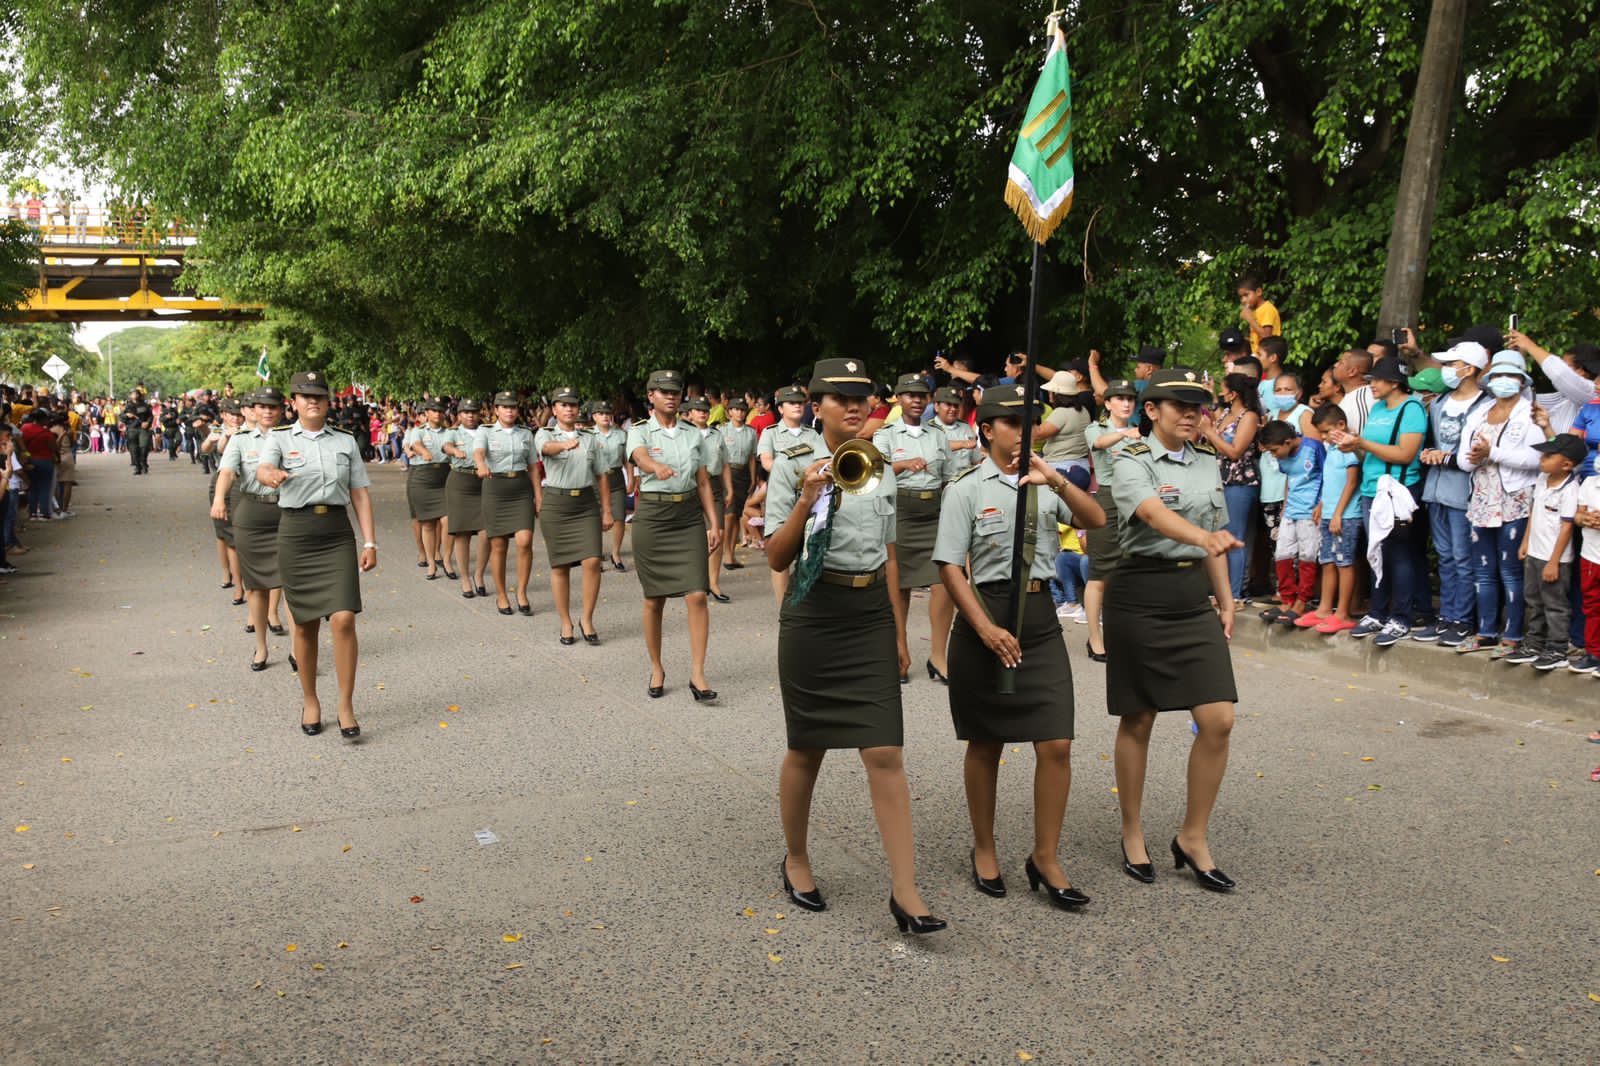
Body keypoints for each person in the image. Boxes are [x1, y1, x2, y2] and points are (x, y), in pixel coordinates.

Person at [765, 357, 943, 935]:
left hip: (867, 614)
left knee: (885, 751)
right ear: (816, 405)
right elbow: (775, 556)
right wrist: (805, 497)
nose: (854, 405)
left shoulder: (882, 466)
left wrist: (895, 629)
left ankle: (906, 889)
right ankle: (796, 857)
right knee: (807, 747)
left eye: (861, 396)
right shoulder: (795, 465)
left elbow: (890, 555)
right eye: (839, 397)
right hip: (815, 613)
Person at [935, 382, 1105, 910]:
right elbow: (947, 565)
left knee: (1055, 742)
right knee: (985, 742)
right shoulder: (966, 488)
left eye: (1030, 424)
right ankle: (984, 848)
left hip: (1039, 621)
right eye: (1013, 423)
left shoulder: (1044, 480)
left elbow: (1095, 521)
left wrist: (1054, 477)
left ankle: (1045, 857)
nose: (1023, 433)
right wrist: (984, 627)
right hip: (985, 617)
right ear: (987, 429)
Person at [1104, 368, 1242, 892]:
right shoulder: (1128, 460)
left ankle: (1192, 836)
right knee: (1139, 717)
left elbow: (1217, 538)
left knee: (1218, 719)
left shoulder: (1208, 464)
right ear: (1151, 411)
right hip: (1139, 594)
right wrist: (1206, 538)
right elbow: (1154, 515)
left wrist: (1226, 602)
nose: (1190, 414)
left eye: (1197, 406)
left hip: (1191, 601)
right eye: (1177, 405)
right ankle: (1132, 830)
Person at [255, 371, 378, 739]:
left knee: (343, 619)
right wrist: (271, 475)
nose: (312, 402)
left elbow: (359, 492)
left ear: (328, 402)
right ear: (293, 402)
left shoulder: (345, 441)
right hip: (297, 534)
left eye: (319, 397)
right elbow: (262, 469)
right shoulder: (279, 439)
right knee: (305, 624)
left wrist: (370, 542)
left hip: (336, 533)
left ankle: (345, 704)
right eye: (305, 396)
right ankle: (310, 699)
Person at [627, 369, 721, 701]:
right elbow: (639, 457)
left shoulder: (694, 435)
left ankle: (698, 673)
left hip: (687, 517)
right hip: (653, 516)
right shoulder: (639, 431)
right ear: (650, 395)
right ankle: (656, 666)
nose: (671, 396)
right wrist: (655, 467)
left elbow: (704, 481)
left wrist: (714, 522)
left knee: (697, 595)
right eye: (662, 391)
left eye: (675, 391)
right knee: (654, 598)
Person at [1329, 356, 1429, 647]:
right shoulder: (1378, 407)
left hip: (1397, 491)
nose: (1370, 384)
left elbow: (1405, 454)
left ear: (1395, 382)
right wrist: (1351, 443)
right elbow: (1371, 451)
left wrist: (1361, 443)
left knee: (1399, 554)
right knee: (1376, 553)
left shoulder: (1412, 408)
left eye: (1377, 380)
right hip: (1371, 489)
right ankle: (1377, 611)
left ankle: (1401, 617)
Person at [1454, 352, 1542, 655]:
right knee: (1483, 570)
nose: (1505, 381)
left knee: (1510, 571)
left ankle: (1513, 635)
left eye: (1512, 376)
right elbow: (1463, 458)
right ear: (1490, 381)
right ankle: (1486, 631)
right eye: (1499, 376)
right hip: (1481, 500)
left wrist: (1493, 454)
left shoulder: (1529, 413)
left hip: (1514, 501)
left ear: (1522, 381)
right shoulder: (1480, 413)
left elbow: (1536, 459)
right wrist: (1474, 458)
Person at [873, 373, 953, 683]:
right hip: (901, 510)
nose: (917, 400)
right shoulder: (886, 434)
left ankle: (938, 655)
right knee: (900, 586)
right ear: (899, 400)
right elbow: (875, 472)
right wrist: (903, 465)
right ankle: (899, 652)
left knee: (944, 581)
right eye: (910, 395)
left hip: (934, 510)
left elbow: (950, 476)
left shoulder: (937, 435)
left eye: (922, 395)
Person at [1415, 342, 1491, 646]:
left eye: (1453, 364)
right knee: (1445, 557)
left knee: (1463, 558)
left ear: (1469, 369)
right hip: (1436, 489)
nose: (1447, 370)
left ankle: (1462, 618)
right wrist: (1430, 454)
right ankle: (1446, 615)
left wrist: (1445, 457)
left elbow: (1474, 454)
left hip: (1465, 492)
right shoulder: (1441, 401)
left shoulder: (1485, 405)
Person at [212, 387, 291, 671]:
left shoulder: (292, 436)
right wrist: (219, 498)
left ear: (281, 410)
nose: (267, 411)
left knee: (289, 578)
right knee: (256, 584)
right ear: (252, 410)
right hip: (252, 513)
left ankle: (298, 648)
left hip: (287, 511)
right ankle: (261, 646)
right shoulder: (241, 440)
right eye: (261, 406)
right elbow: (228, 472)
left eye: (273, 406)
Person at [535, 387, 615, 644]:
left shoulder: (590, 438)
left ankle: (587, 618)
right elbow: (546, 449)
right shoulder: (544, 433)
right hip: (557, 504)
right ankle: (565, 622)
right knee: (560, 566)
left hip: (585, 503)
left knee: (592, 561)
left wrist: (607, 510)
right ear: (555, 409)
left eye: (573, 405)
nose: (569, 409)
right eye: (563, 405)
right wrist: (564, 445)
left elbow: (602, 475)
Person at [1507, 435, 1582, 670]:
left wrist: (1553, 562)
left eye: (1549, 456)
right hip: (1534, 553)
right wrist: (1525, 542)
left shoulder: (1570, 489)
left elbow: (1567, 527)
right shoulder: (1542, 479)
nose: (1542, 459)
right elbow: (1534, 512)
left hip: (1555, 559)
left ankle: (1558, 648)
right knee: (1534, 600)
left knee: (1555, 604)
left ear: (1567, 464)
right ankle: (1534, 643)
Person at [1081, 378, 1140, 661]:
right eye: (1120, 398)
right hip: (1107, 497)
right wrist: (1126, 435)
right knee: (1100, 573)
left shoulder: (1142, 431)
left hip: (1137, 499)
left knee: (1130, 570)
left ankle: (1126, 634)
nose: (1126, 403)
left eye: (1130, 399)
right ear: (1107, 404)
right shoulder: (1097, 427)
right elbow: (1099, 443)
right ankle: (1095, 639)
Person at [1295, 405, 1363, 634]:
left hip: (1346, 516)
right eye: (1321, 433)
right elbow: (1331, 480)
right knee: (1327, 561)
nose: (1323, 437)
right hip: (1328, 514)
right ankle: (1324, 608)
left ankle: (1342, 612)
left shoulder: (1350, 449)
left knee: (1344, 563)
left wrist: (1337, 514)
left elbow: (1352, 483)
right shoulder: (1332, 450)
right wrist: (1322, 505)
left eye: (1326, 431)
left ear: (1341, 426)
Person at [473, 392, 539, 616]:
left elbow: (533, 467)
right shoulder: (486, 431)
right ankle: (502, 595)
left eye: (513, 407)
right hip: (495, 488)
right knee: (499, 545)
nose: (509, 410)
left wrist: (538, 496)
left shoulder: (526, 433)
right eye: (504, 407)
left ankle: (521, 591)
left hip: (520, 487)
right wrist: (481, 464)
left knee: (525, 540)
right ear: (496, 410)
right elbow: (479, 451)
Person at [1199, 372, 1262, 601]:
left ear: (1234, 394)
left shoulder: (1250, 416)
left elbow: (1235, 451)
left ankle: (1234, 595)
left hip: (1240, 482)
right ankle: (1221, 591)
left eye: (1224, 389)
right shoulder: (1225, 413)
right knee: (1219, 536)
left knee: (1234, 537)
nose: (1222, 393)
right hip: (1219, 482)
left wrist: (1208, 432)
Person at [760, 385, 824, 602]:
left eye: (800, 402)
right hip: (781, 496)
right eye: (792, 403)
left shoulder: (813, 433)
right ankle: (783, 606)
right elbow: (767, 462)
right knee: (781, 551)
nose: (797, 406)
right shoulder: (770, 433)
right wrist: (793, 470)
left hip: (812, 496)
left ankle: (805, 598)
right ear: (780, 408)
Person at [1256, 419, 1323, 625]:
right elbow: (1289, 480)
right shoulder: (1282, 457)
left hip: (1310, 511)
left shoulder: (1313, 447)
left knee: (1307, 556)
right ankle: (1287, 599)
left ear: (1288, 442)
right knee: (1282, 554)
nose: (1273, 455)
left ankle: (1302, 601)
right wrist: (1285, 506)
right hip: (1291, 509)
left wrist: (1321, 503)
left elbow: (1327, 474)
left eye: (1275, 450)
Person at [683, 396, 733, 602]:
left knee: (717, 533)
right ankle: (696, 580)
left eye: (705, 410)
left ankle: (713, 582)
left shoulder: (716, 435)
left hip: (713, 485)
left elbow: (725, 464)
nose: (702, 413)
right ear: (690, 413)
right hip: (692, 485)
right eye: (698, 410)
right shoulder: (684, 434)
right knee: (698, 536)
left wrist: (729, 488)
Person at [441, 399, 490, 598]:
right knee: (462, 533)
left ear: (479, 414)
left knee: (487, 532)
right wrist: (455, 451)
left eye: (473, 412)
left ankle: (479, 575)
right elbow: (446, 446)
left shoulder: (485, 431)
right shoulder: (452, 432)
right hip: (460, 482)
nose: (470, 416)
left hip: (483, 482)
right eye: (465, 412)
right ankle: (465, 578)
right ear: (459, 415)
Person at [404, 400, 453, 579]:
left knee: (448, 520)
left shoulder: (449, 432)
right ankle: (431, 561)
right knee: (427, 523)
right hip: (422, 478)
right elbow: (415, 444)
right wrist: (423, 451)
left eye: (440, 411)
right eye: (433, 411)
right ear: (427, 413)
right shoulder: (418, 431)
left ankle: (446, 559)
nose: (437, 414)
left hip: (444, 477)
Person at [204, 400, 245, 603]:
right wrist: (218, 438)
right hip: (223, 482)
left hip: (245, 484)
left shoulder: (250, 430)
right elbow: (211, 448)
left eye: (239, 414)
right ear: (223, 415)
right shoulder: (220, 430)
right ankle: (229, 575)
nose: (236, 417)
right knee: (224, 533)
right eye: (231, 414)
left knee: (237, 535)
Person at [589, 400, 633, 571]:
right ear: (594, 417)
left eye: (608, 413)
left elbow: (627, 459)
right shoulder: (588, 435)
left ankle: (615, 553)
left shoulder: (621, 434)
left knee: (619, 517)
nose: (605, 417)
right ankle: (596, 554)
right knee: (596, 518)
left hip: (615, 478)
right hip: (595, 479)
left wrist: (631, 478)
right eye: (601, 414)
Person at [1034, 367, 1094, 481]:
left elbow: (1037, 434)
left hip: (1061, 465)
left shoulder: (1061, 413)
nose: (1049, 394)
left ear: (1056, 394)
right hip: (1081, 464)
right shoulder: (1083, 410)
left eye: (1050, 392)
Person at [719, 397, 758, 570]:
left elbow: (751, 458)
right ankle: (726, 554)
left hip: (743, 474)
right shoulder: (722, 430)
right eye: (736, 409)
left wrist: (753, 478)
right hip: (728, 472)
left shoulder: (750, 432)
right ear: (729, 412)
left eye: (743, 410)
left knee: (737, 515)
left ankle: (731, 555)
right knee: (729, 514)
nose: (740, 413)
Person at [1573, 451, 1600, 674]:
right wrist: (1586, 519)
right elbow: (1578, 516)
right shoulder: (1590, 483)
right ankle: (1593, 653)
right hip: (1591, 556)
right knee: (1591, 606)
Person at [929, 386, 980, 471]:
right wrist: (963, 444)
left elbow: (976, 460)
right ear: (936, 406)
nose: (953, 409)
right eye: (948, 404)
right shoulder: (929, 428)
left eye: (956, 405)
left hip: (967, 478)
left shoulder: (966, 427)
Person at [1237, 276, 1280, 355]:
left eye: (1246, 295)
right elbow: (1257, 336)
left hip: (1267, 356)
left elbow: (1267, 337)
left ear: (1259, 292)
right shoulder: (1256, 311)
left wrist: (1250, 319)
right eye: (1241, 297)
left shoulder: (1267, 309)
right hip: (1258, 354)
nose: (1243, 300)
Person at [122, 388, 154, 475]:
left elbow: (151, 416)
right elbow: (121, 417)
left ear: (139, 395)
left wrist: (147, 423)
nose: (134, 395)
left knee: (144, 447)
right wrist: (126, 415)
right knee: (134, 449)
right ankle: (137, 467)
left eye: (136, 393)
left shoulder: (144, 405)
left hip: (143, 429)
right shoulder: (128, 406)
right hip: (132, 429)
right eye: (132, 394)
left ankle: (143, 463)